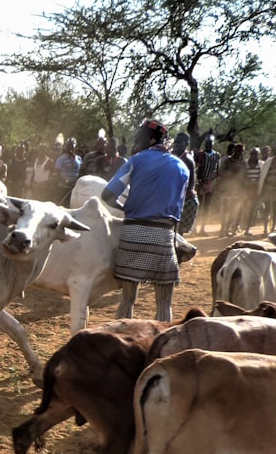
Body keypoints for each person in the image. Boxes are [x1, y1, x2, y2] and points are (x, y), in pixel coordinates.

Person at [100, 119, 188, 323]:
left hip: (133, 233)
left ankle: (121, 339)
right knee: (164, 303)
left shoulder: (135, 160)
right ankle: (162, 344)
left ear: (151, 139)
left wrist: (125, 209)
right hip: (163, 236)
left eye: (139, 137)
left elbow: (107, 195)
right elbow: (179, 210)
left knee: (127, 300)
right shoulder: (182, 167)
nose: (136, 141)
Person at [171, 132, 199, 235]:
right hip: (180, 198)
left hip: (185, 200)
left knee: (178, 233)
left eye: (179, 143)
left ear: (186, 144)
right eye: (175, 142)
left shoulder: (186, 160)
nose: (176, 145)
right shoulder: (178, 157)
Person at [53, 137, 82, 206]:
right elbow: (56, 174)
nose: (71, 149)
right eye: (69, 147)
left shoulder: (79, 159)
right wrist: (67, 182)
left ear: (75, 147)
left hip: (75, 189)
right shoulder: (61, 159)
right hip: (63, 188)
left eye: (72, 147)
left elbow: (80, 172)